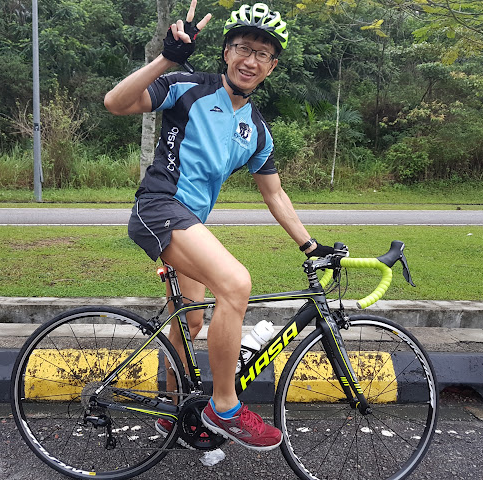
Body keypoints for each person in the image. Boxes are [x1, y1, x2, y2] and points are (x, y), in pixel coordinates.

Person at [104, 0, 337, 451]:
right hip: (160, 207)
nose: (251, 60)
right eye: (243, 48)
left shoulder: (257, 129)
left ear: (272, 66)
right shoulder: (187, 86)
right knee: (235, 284)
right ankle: (224, 407)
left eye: (263, 54)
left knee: (189, 323)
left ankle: (173, 413)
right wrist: (168, 57)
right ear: (227, 52)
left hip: (189, 222)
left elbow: (275, 194)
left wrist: (311, 245)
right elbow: (116, 103)